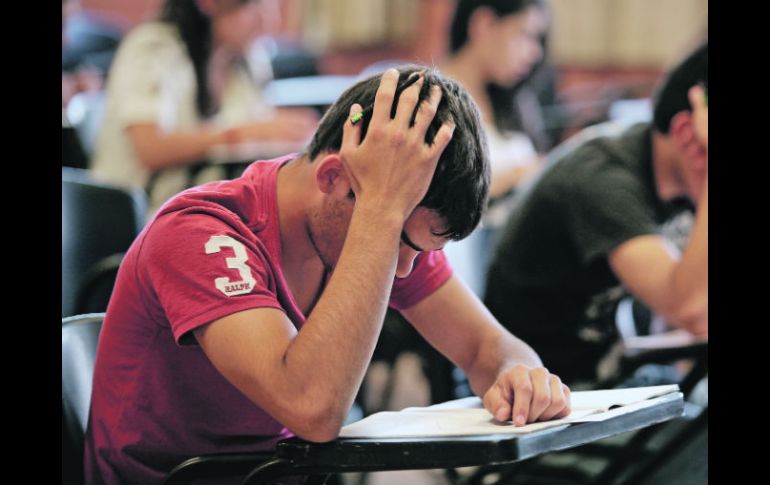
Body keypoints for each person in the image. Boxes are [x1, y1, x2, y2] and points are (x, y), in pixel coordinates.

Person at [84, 66, 573, 484]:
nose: (406, 267)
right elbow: (311, 407)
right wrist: (381, 218)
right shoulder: (200, 234)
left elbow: (488, 346)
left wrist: (519, 375)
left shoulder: (381, 224)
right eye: (400, 239)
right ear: (333, 178)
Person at [484, 43, 708, 386]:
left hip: (613, 379)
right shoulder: (602, 179)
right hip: (545, 396)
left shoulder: (680, 184)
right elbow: (692, 308)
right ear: (687, 134)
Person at [90, 0, 319, 216]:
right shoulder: (152, 47)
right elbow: (151, 148)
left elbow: (254, 128)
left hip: (201, 204)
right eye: (252, 5)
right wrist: (243, 132)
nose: (268, 20)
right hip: (137, 209)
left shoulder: (245, 58)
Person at [439, 0, 551, 295]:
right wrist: (515, 177)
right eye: (524, 35)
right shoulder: (433, 101)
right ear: (484, 24)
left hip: (521, 258)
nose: (535, 51)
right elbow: (431, 200)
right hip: (464, 266)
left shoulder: (515, 103)